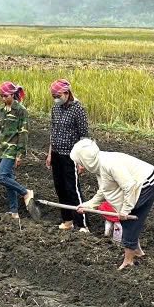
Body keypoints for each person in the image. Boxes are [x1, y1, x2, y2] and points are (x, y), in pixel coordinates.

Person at [71, 138, 154, 271]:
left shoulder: (109, 164)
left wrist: (125, 210)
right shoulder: (99, 164)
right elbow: (105, 190)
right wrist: (89, 205)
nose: (79, 167)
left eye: (80, 163)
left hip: (147, 182)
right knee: (129, 218)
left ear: (86, 160)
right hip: (141, 182)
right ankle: (137, 251)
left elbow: (130, 186)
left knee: (130, 220)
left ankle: (128, 260)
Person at [47, 79, 90, 231]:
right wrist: (50, 153)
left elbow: (84, 136)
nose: (55, 98)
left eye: (57, 95)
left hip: (71, 156)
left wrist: (81, 160)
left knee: (73, 189)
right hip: (57, 153)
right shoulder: (56, 108)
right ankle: (67, 220)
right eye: (53, 96)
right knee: (60, 187)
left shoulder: (78, 109)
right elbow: (53, 131)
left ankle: (82, 224)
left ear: (67, 93)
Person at [0, 81, 33, 219]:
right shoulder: (1, 111)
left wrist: (20, 154)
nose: (3, 99)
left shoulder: (21, 110)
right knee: (8, 179)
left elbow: (23, 132)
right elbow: (2, 131)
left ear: (12, 94)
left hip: (12, 150)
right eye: (1, 96)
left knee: (1, 177)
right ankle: (14, 211)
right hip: (2, 148)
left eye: (5, 96)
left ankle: (25, 192)